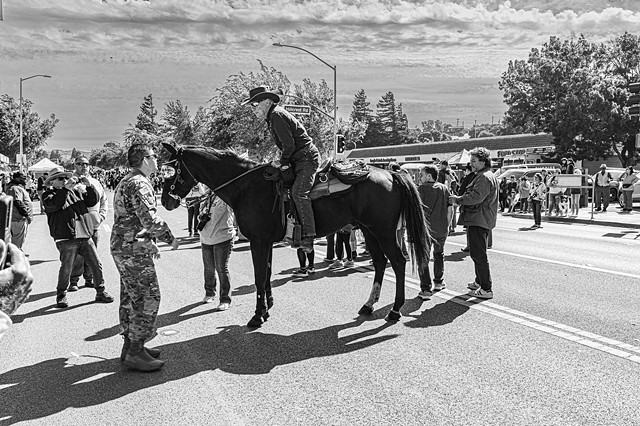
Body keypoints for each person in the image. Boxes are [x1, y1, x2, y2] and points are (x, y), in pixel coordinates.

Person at [111, 143, 179, 372]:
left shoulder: (127, 179)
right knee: (147, 297)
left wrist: (149, 243)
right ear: (144, 159)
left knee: (131, 297)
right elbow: (149, 219)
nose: (158, 160)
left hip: (127, 246)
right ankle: (135, 351)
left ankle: (131, 345)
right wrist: (170, 238)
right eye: (154, 156)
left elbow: (134, 220)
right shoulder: (139, 183)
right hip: (132, 249)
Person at [242, 86, 320, 253]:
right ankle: (288, 229)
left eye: (255, 104)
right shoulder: (272, 117)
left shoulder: (276, 115)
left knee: (299, 193)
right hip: (298, 159)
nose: (253, 108)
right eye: (252, 105)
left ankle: (308, 235)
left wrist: (282, 161)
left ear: (267, 101)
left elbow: (289, 144)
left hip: (306, 159)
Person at [42, 166, 114, 309]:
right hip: (65, 237)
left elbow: (91, 202)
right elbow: (57, 204)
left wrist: (89, 186)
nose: (64, 180)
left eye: (65, 178)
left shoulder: (75, 192)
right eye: (60, 178)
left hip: (84, 234)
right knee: (67, 268)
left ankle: (100, 291)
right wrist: (66, 189)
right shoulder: (48, 196)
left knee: (96, 263)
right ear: (52, 182)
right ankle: (61, 295)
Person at [449, 147, 498, 300]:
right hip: (479, 218)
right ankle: (480, 281)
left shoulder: (483, 177)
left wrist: (458, 200)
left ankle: (486, 288)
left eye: (474, 161)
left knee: (479, 255)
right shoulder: (485, 175)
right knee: (477, 254)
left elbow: (476, 197)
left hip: (479, 218)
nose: (471, 164)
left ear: (483, 161)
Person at [69, 156, 108, 290]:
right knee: (78, 256)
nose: (83, 166)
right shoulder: (70, 181)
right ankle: (73, 281)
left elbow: (103, 200)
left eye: (86, 164)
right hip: (77, 225)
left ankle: (89, 279)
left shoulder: (95, 182)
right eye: (80, 164)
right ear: (75, 165)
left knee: (93, 256)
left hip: (93, 225)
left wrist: (101, 216)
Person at [416, 164, 452, 300]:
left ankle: (425, 289)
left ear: (429, 176)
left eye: (422, 174)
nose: (420, 177)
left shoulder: (421, 189)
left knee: (423, 257)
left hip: (425, 230)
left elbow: (417, 211)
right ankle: (438, 281)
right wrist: (447, 226)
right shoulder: (444, 188)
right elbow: (450, 210)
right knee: (439, 254)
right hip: (441, 229)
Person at [199, 187, 236, 311]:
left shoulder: (226, 195)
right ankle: (210, 293)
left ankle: (225, 299)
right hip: (206, 237)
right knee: (208, 268)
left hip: (222, 237)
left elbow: (234, 207)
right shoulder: (206, 196)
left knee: (221, 268)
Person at [6, 172, 33, 250]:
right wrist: (26, 215)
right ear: (17, 178)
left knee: (18, 241)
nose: (25, 180)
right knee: (17, 243)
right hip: (18, 219)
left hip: (18, 218)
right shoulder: (14, 188)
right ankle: (15, 258)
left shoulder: (15, 187)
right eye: (23, 178)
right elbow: (18, 202)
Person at [457, 163, 475, 252]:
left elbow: (461, 191)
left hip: (467, 204)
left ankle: (469, 245)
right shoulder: (478, 177)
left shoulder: (467, 178)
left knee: (469, 227)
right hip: (478, 205)